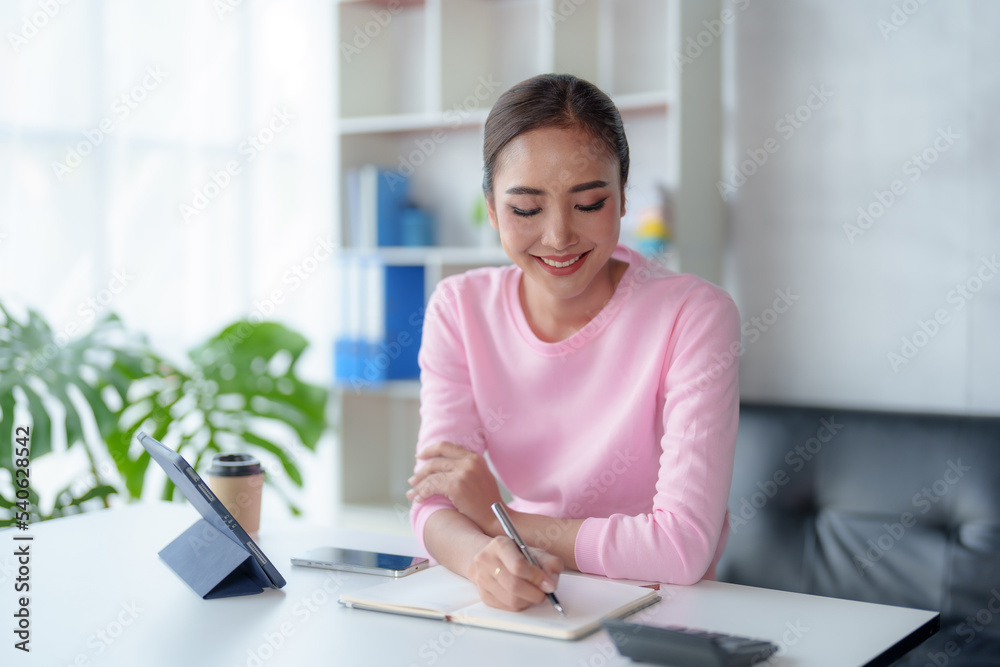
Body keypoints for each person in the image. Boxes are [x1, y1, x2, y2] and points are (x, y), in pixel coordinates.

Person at [406, 73, 740, 612]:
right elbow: (433, 503)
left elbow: (680, 550)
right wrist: (481, 561)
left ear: (624, 197)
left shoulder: (694, 315)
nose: (560, 237)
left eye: (588, 204)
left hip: (661, 611)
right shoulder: (459, 308)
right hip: (528, 595)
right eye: (526, 209)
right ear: (491, 208)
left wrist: (503, 520)